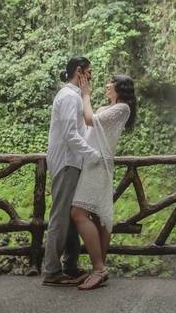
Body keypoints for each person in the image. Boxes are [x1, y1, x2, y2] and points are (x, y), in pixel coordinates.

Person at [70, 73, 137, 291]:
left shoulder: (123, 108)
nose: (107, 85)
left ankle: (99, 268)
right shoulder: (111, 107)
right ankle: (99, 268)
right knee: (98, 216)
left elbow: (90, 120)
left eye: (111, 83)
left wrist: (86, 94)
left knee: (79, 213)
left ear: (120, 87)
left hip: (99, 163)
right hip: (93, 160)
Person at [41, 56, 102, 286]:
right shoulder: (68, 97)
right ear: (80, 72)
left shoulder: (74, 97)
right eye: (90, 72)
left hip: (71, 162)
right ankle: (51, 271)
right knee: (60, 216)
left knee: (69, 215)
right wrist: (93, 154)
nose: (92, 76)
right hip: (66, 162)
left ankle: (70, 266)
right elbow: (70, 134)